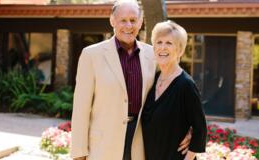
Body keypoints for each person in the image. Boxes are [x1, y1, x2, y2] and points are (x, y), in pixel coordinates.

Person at [70, 1, 190, 160]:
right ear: (112, 21)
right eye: (123, 20)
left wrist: (191, 127)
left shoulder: (152, 54)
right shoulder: (91, 55)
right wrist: (79, 152)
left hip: (140, 143)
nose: (128, 25)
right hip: (102, 146)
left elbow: (173, 87)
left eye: (133, 20)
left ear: (140, 22)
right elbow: (81, 108)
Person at [142, 20, 207, 160]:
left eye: (169, 43)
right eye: (159, 42)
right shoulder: (152, 80)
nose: (162, 48)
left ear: (180, 50)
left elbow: (200, 129)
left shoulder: (186, 85)